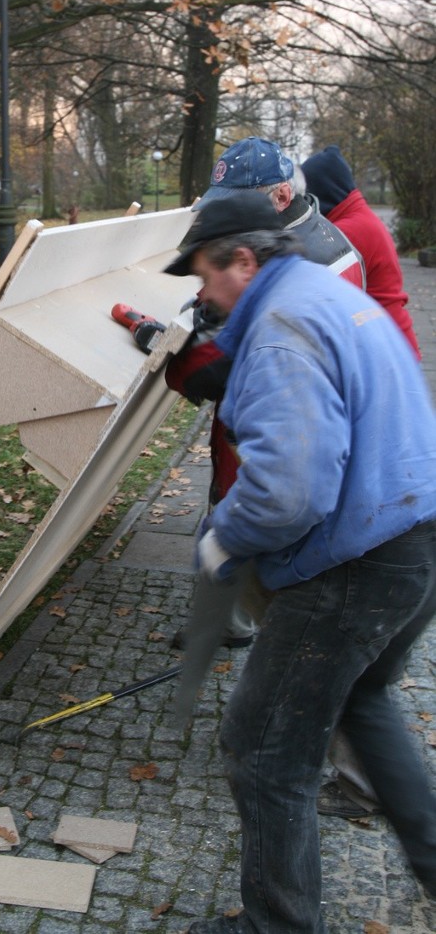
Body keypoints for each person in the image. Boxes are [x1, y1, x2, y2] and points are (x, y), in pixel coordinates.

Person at [162, 194, 436, 933]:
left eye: (205, 274)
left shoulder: (281, 332)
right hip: (418, 535)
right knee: (363, 700)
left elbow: (289, 490)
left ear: (243, 261)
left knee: (263, 749)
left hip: (363, 560)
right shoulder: (323, 295)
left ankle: (276, 925)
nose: (201, 291)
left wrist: (226, 535)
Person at [163, 137, 364, 644]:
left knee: (249, 509)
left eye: (237, 201)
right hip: (276, 410)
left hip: (275, 417)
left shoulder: (309, 258)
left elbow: (235, 358)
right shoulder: (309, 237)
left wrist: (177, 349)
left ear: (277, 197)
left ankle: (236, 621)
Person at [301, 144, 420, 357]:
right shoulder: (359, 218)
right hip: (394, 340)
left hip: (388, 349)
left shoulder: (348, 231)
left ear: (320, 192)